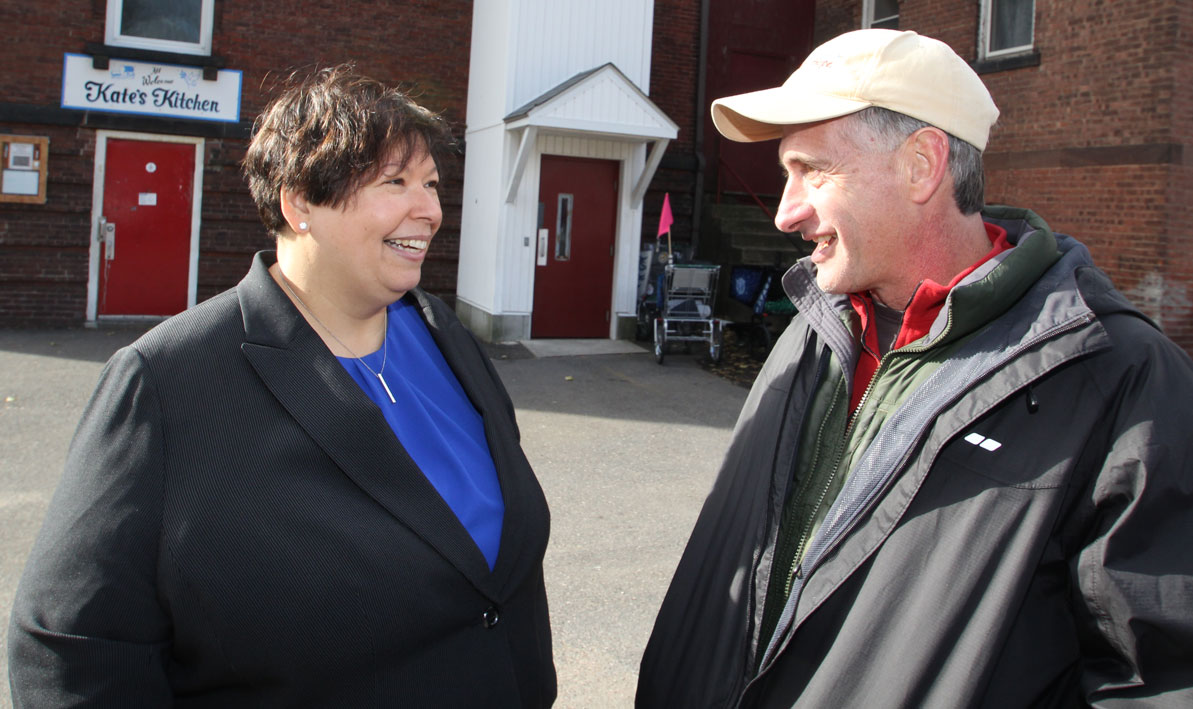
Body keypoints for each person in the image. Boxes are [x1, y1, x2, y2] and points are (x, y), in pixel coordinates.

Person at [637, 29, 1193, 708]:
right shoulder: (814, 328)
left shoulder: (1122, 380)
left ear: (921, 165)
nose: (786, 211)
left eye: (813, 170)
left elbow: (1160, 679)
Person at [9, 65, 556, 706]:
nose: (430, 209)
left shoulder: (448, 338)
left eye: (433, 184)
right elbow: (74, 648)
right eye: (396, 182)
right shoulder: (165, 383)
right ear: (300, 203)